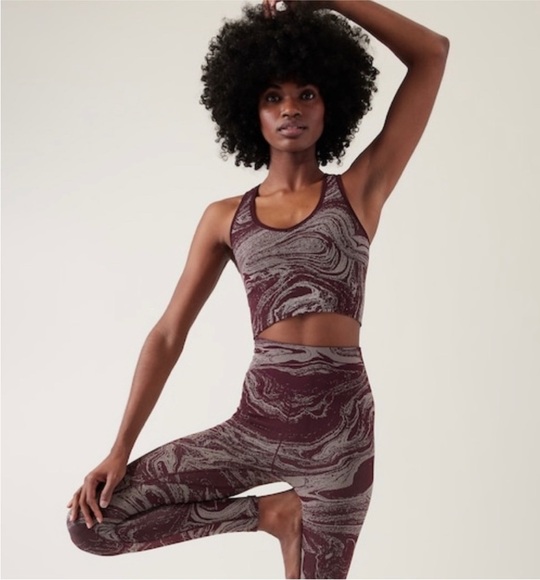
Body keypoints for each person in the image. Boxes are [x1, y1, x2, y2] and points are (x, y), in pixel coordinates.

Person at [66, 1, 449, 578]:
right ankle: (274, 514)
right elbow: (168, 334)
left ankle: (289, 514)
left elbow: (431, 54)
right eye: (273, 97)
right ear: (252, 111)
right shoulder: (226, 217)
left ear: (330, 105)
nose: (290, 108)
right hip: (255, 428)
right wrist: (119, 448)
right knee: (92, 523)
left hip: (340, 440)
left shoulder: (359, 191)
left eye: (306, 94)